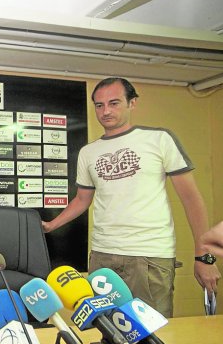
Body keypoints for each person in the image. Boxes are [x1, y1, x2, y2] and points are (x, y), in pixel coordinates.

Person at [42, 77, 220, 317]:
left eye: (114, 103)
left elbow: (191, 199)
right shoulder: (88, 152)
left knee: (151, 333)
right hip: (102, 255)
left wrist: (204, 257)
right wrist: (52, 225)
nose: (106, 111)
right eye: (99, 105)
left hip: (148, 255)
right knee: (105, 332)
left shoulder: (159, 139)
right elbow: (82, 198)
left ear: (132, 103)